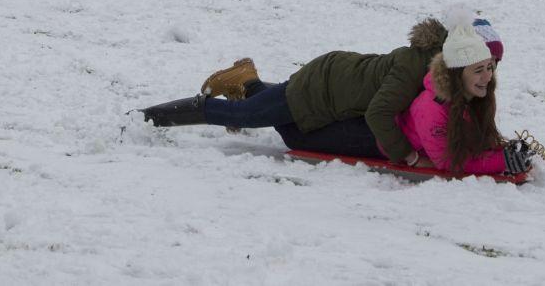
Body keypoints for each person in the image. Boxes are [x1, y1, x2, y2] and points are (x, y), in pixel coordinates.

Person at [139, 13, 521, 174]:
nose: (489, 73)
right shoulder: (415, 71)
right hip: (318, 88)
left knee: (268, 107)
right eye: (485, 63)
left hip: (334, 81)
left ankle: (247, 78)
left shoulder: (436, 68)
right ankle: (159, 115)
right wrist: (407, 155)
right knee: (246, 117)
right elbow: (377, 115)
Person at [395, 17, 531, 176]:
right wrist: (502, 161)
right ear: (458, 74)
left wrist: (504, 149)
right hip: (374, 140)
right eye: (479, 70)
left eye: (490, 67)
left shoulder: (472, 94)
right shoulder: (432, 108)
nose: (488, 77)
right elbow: (448, 161)